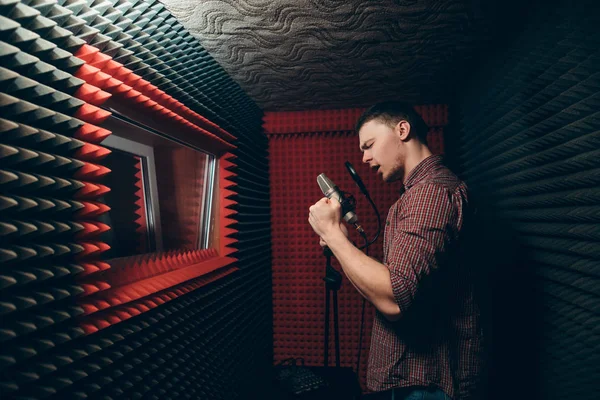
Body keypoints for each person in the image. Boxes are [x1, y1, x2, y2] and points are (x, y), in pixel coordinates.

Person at [308, 102, 482, 400]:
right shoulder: (421, 193)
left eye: (370, 145)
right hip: (417, 380)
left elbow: (395, 298)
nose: (364, 158)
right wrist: (339, 242)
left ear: (402, 130)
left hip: (428, 383)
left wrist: (333, 236)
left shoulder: (430, 194)